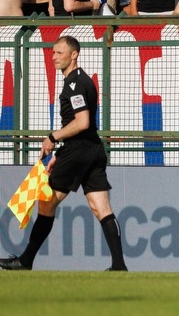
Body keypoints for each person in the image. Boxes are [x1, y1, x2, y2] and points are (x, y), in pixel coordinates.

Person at [0, 36, 127, 271]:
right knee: (101, 207)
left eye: (59, 52)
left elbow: (82, 121)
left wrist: (52, 137)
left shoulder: (75, 84)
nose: (54, 56)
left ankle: (25, 260)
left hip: (79, 151)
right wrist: (60, 151)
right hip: (92, 149)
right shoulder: (78, 81)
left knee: (46, 203)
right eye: (53, 52)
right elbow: (82, 126)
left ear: (74, 55)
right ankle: (119, 266)